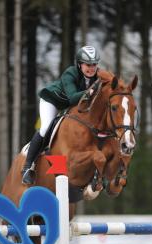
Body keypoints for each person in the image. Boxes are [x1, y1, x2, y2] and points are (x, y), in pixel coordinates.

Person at [21, 45, 101, 185]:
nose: (91, 68)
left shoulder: (98, 76)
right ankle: (28, 167)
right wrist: (90, 91)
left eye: (94, 64)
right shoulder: (70, 74)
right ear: (79, 64)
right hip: (52, 101)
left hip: (68, 107)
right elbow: (72, 98)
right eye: (88, 64)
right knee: (46, 127)